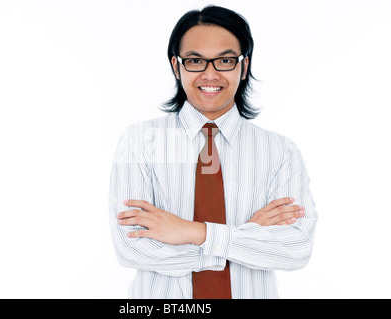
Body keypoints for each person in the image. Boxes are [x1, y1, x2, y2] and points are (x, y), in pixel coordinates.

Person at [109, 5, 317, 299]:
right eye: (195, 60)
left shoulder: (280, 151)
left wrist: (194, 233)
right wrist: (246, 237)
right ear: (176, 66)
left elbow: (296, 249)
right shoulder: (139, 142)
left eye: (225, 60)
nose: (210, 74)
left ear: (243, 67)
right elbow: (131, 248)